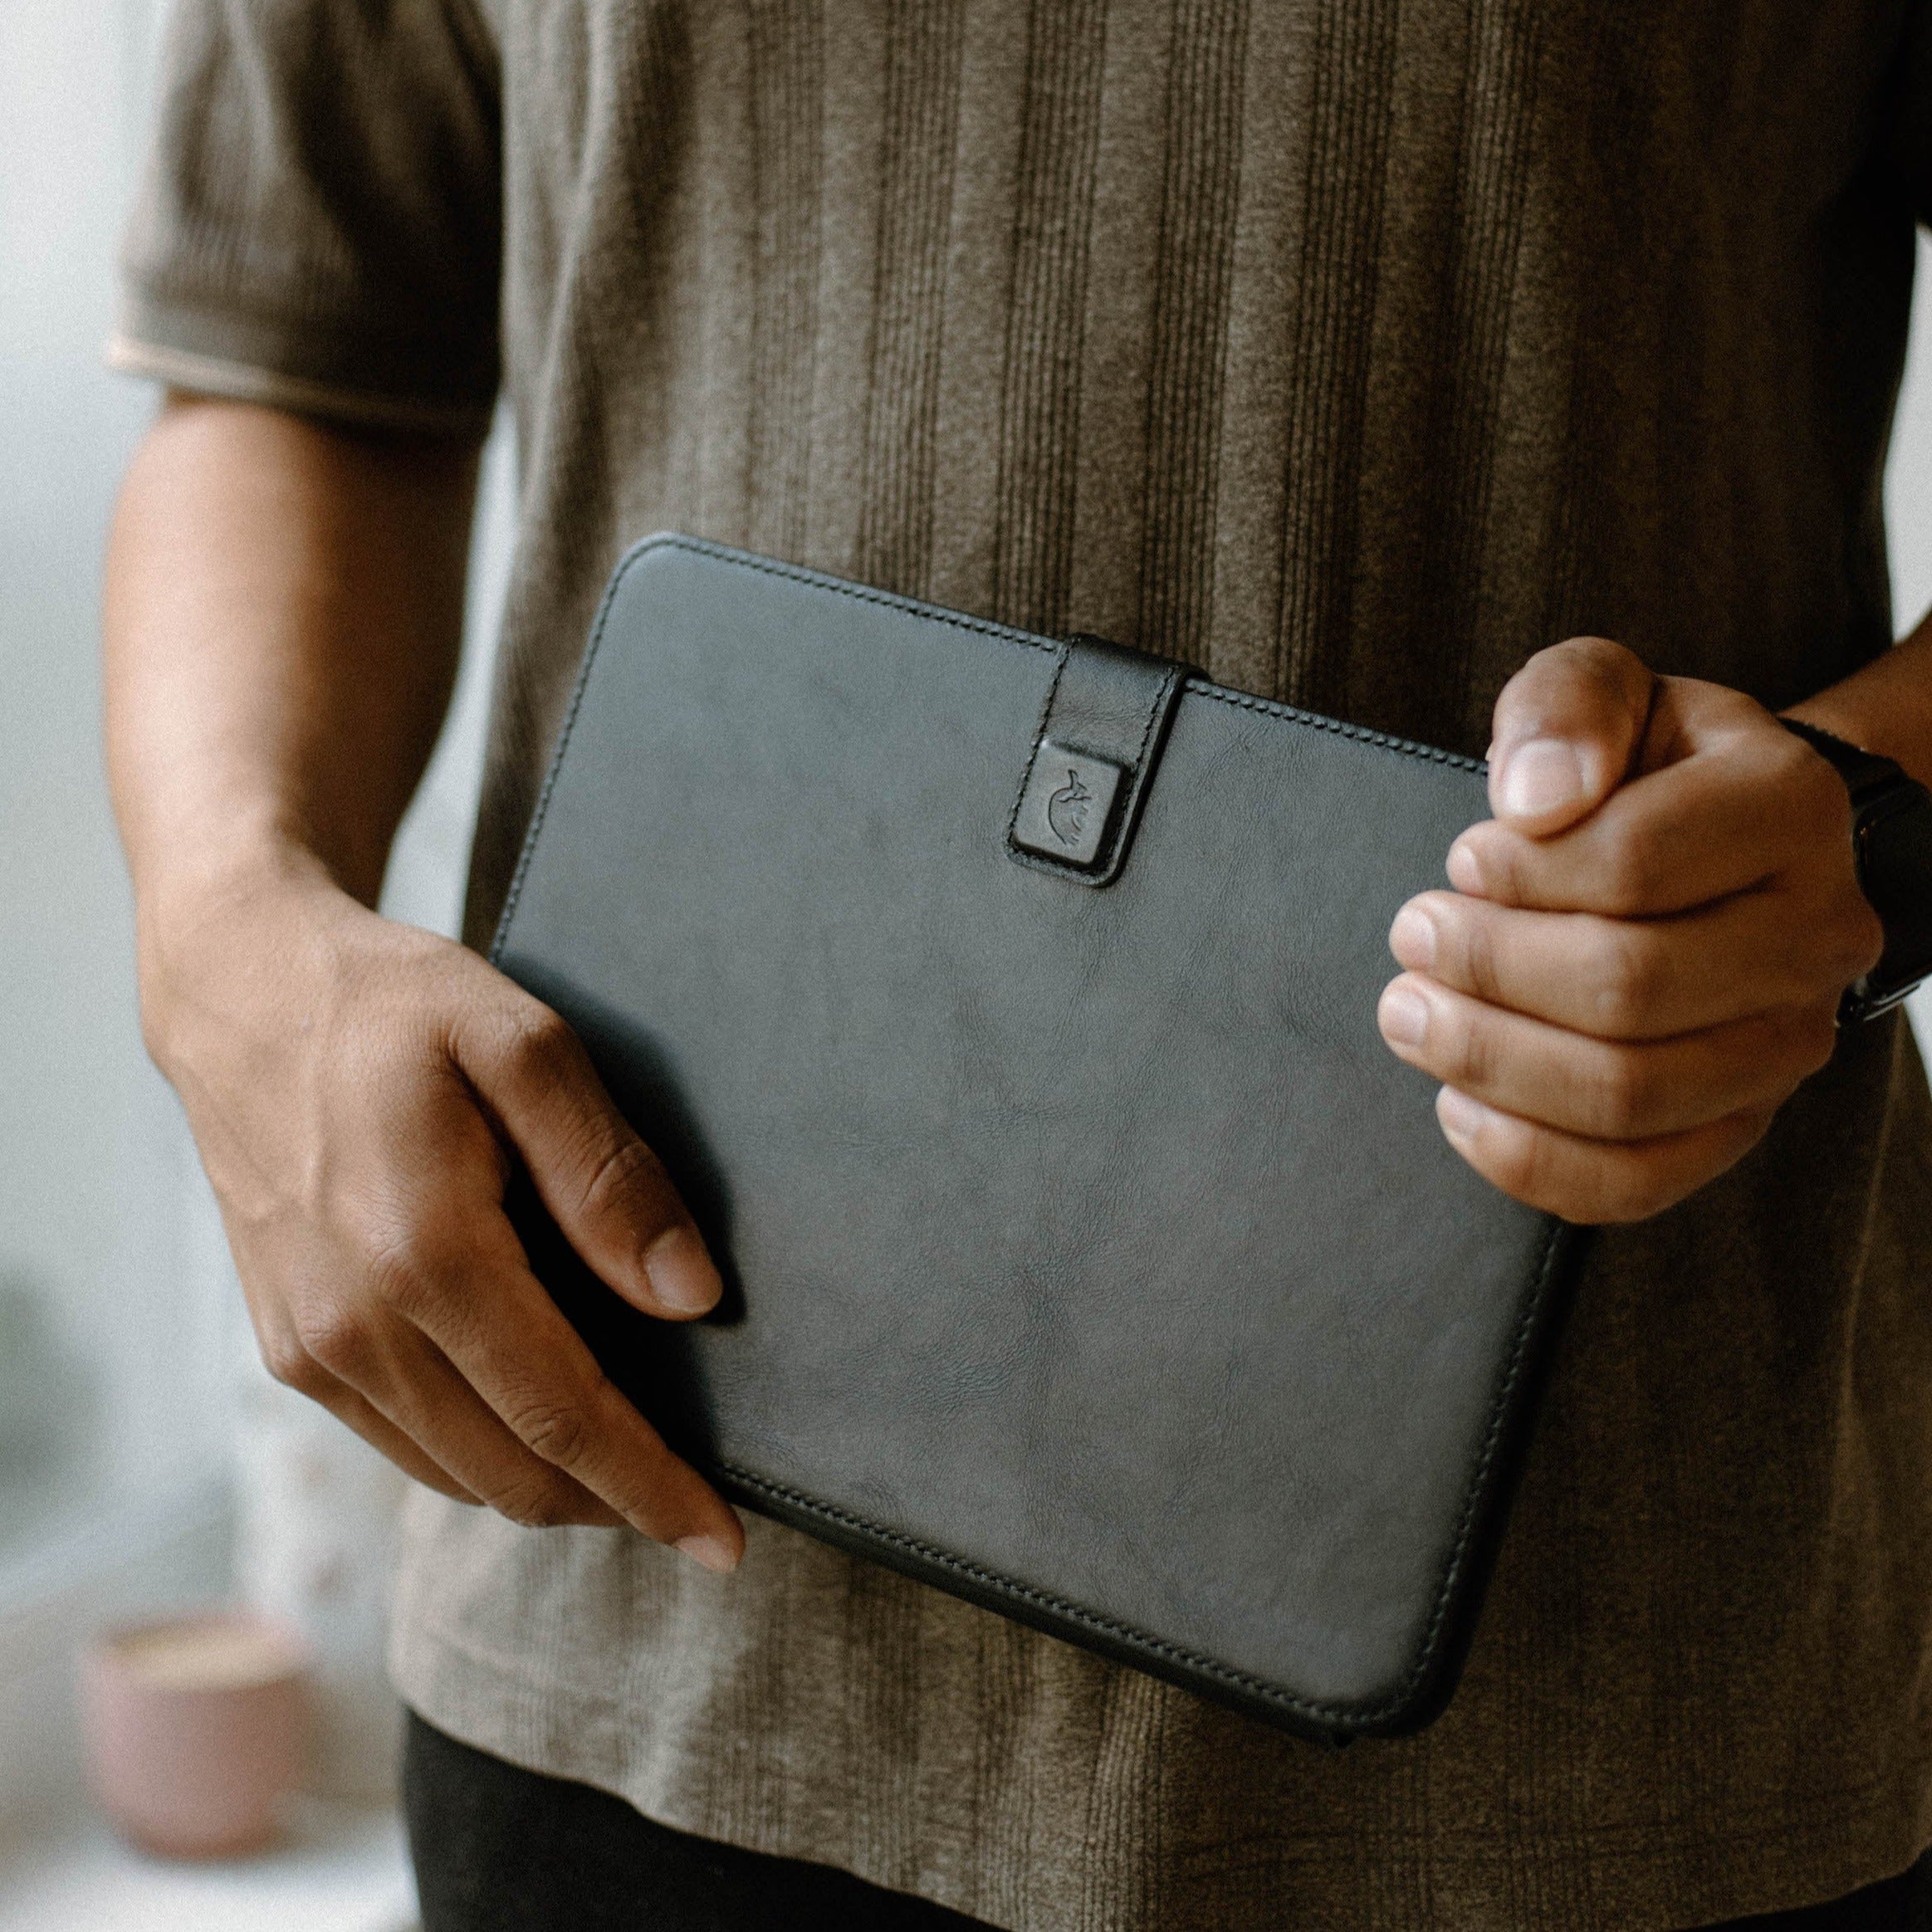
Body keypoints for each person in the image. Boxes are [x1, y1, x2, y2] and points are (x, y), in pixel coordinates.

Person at [103, 2, 1932, 1927]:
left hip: (1620, 1698)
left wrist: (1867, 829)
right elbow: (292, 353)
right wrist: (228, 934)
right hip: (628, 1607)